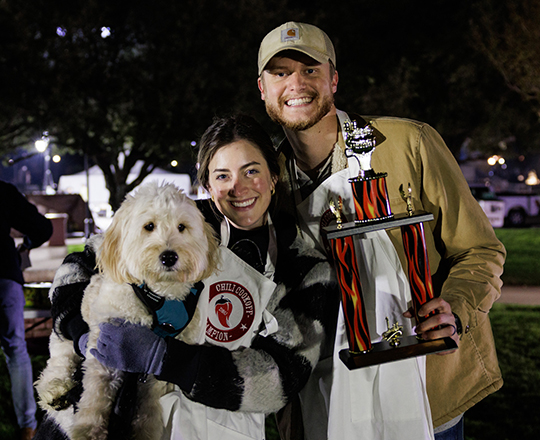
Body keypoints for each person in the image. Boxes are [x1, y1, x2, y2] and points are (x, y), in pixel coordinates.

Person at [256, 22, 505, 440]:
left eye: (310, 70)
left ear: (334, 79)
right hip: (322, 400)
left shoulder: (409, 142)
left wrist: (456, 310)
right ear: (262, 88)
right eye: (279, 72)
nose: (296, 83)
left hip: (426, 390)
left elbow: (481, 250)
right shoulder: (267, 181)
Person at [34, 114, 337, 440]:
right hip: (97, 416)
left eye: (252, 171)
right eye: (223, 176)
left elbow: (279, 379)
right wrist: (83, 333)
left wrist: (166, 359)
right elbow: (76, 267)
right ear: (207, 184)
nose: (239, 188)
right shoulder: (173, 216)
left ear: (274, 176)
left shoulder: (303, 267)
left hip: (216, 429)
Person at [0, 180, 53, 440]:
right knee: (16, 350)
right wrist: (27, 243)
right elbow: (43, 228)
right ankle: (28, 426)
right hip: (5, 276)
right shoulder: (3, 191)